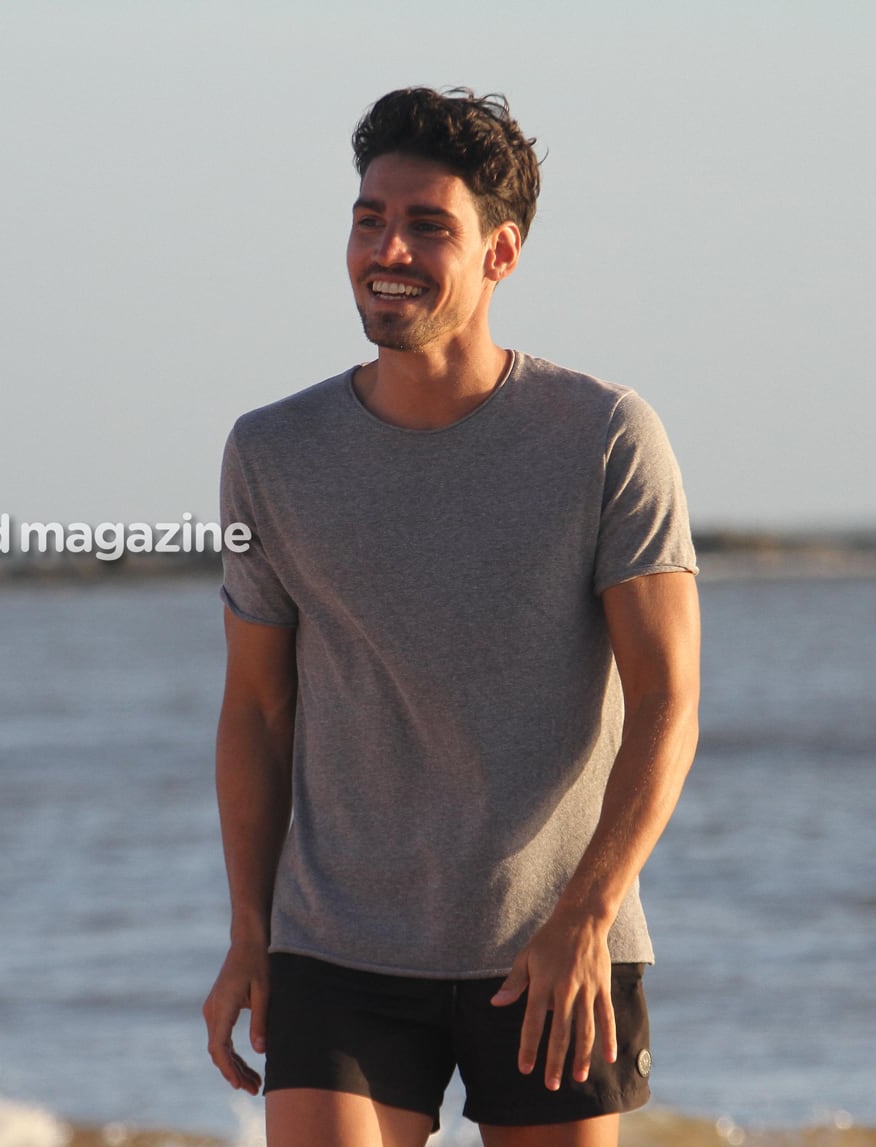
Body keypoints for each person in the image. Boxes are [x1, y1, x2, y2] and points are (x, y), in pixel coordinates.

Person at [201, 88, 702, 1147]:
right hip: (338, 941)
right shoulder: (270, 453)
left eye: (428, 225)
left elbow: (666, 701)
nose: (388, 248)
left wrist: (587, 915)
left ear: (499, 254)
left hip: (554, 943)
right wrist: (250, 931)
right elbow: (254, 707)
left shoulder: (603, 437)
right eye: (368, 217)